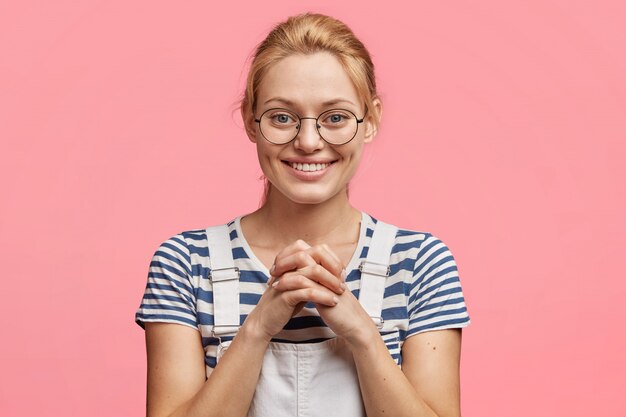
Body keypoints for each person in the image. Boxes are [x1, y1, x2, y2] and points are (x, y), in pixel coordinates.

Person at [135, 12, 470, 417]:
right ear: (250, 120)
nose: (309, 141)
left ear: (371, 120)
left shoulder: (420, 263)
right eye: (281, 117)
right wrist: (258, 327)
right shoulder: (185, 263)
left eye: (335, 118)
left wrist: (362, 333)